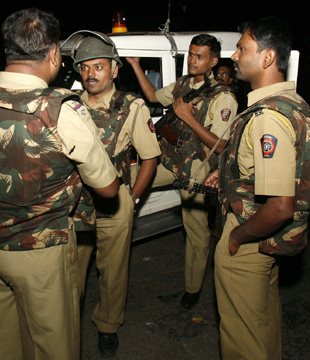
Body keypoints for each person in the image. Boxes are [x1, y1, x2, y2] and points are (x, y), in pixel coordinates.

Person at [0, 9, 119, 360]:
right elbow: (109, 189)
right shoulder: (59, 110)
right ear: (53, 54)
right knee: (53, 346)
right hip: (41, 252)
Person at [205, 17, 310, 360]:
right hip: (268, 239)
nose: (235, 55)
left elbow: (281, 205)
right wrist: (228, 177)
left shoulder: (269, 116)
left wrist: (237, 238)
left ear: (268, 57)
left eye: (243, 48)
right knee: (263, 324)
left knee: (243, 337)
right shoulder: (292, 103)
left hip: (252, 238)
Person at [63, 30, 161, 357]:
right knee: (70, 270)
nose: (91, 74)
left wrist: (132, 198)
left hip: (114, 203)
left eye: (99, 67)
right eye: (85, 67)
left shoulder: (132, 107)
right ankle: (64, 323)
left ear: (115, 69)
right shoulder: (69, 105)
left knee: (113, 271)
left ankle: (108, 324)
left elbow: (149, 157)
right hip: (74, 204)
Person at [126, 34, 238, 310]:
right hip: (169, 161)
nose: (192, 60)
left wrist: (188, 116)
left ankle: (193, 290)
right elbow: (153, 96)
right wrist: (135, 64)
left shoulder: (223, 98)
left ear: (213, 62)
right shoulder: (184, 84)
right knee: (125, 179)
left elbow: (222, 146)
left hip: (196, 172)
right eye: (190, 54)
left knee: (196, 233)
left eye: (200, 56)